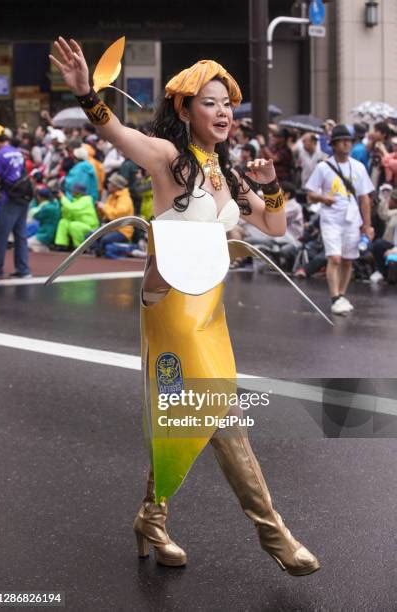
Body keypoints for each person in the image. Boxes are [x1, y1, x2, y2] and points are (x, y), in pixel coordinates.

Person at [49, 36, 321, 576]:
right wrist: (86, 94)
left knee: (180, 415)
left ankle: (152, 517)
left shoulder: (229, 173)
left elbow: (274, 226)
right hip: (171, 303)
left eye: (227, 104)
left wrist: (270, 188)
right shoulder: (169, 158)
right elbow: (118, 132)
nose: (223, 113)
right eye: (210, 103)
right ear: (185, 108)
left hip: (210, 312)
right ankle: (276, 535)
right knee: (221, 415)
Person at [306, 124, 375, 315]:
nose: (346, 144)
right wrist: (323, 198)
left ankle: (342, 295)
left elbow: (364, 199)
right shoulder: (323, 167)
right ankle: (335, 297)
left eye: (348, 141)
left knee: (347, 260)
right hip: (331, 219)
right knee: (334, 258)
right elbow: (310, 193)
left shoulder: (359, 167)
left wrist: (367, 225)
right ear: (334, 144)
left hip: (352, 219)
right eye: (342, 141)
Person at [0, 123, 32, 279]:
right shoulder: (17, 152)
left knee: (1, 234)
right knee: (20, 234)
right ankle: (23, 269)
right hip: (23, 195)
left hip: (9, 197)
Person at [92, 173, 134, 256]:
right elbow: (106, 216)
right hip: (111, 228)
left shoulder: (125, 199)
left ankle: (102, 254)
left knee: (104, 240)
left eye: (110, 183)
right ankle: (100, 252)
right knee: (91, 236)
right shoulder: (111, 196)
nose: (108, 185)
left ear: (116, 186)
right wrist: (100, 209)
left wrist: (104, 207)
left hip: (123, 231)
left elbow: (116, 215)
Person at [54, 182, 99, 249]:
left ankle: (80, 248)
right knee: (63, 222)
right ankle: (61, 245)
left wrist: (63, 198)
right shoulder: (75, 200)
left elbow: (72, 208)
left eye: (73, 190)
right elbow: (67, 216)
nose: (72, 192)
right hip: (80, 224)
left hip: (90, 227)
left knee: (74, 225)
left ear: (78, 192)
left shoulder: (86, 200)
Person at [27, 187, 61, 253]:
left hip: (45, 234)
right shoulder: (55, 204)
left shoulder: (47, 207)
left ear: (40, 197)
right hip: (50, 232)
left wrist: (34, 201)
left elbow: (35, 215)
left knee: (25, 244)